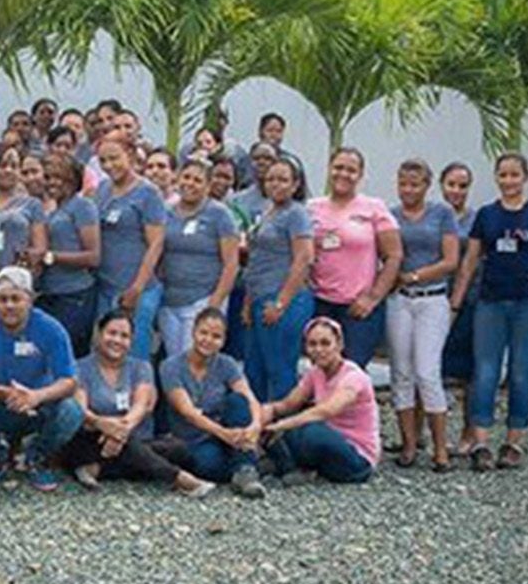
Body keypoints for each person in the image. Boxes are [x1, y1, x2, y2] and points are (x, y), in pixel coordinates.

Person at [455, 152, 528, 471]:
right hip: (490, 304)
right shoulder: (486, 216)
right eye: (503, 175)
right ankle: (482, 442)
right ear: (496, 178)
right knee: (486, 372)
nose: (509, 181)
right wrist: (455, 302)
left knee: (520, 372)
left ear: (525, 177)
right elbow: (469, 263)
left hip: (527, 305)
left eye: (515, 175)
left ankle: (513, 442)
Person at [0, 267, 82, 491]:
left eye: (16, 298)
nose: (9, 305)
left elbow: (69, 380)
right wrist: (3, 392)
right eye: (2, 299)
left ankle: (36, 457)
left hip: (38, 405)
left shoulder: (51, 329)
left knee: (72, 411)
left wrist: (36, 396)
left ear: (30, 299)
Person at [63, 310, 214, 497]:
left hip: (133, 438)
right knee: (131, 449)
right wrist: (103, 424)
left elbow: (141, 406)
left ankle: (98, 469)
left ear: (131, 341)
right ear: (99, 334)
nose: (117, 340)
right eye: (112, 333)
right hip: (93, 439)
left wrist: (119, 432)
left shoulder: (141, 367)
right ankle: (179, 478)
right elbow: (81, 410)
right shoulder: (80, 367)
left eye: (124, 336)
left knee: (178, 449)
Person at [388, 158, 460, 469]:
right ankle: (408, 444)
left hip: (432, 298)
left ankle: (440, 448)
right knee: (401, 373)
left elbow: (451, 260)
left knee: (427, 372)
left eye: (414, 184)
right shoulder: (390, 216)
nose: (408, 190)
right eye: (403, 183)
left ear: (426, 185)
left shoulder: (441, 214)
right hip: (399, 301)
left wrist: (415, 275)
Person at [306, 147, 403, 366]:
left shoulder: (374, 208)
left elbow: (394, 256)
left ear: (360, 175)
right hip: (321, 303)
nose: (343, 174)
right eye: (338, 167)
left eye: (351, 170)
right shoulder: (312, 208)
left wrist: (373, 297)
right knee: (321, 368)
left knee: (352, 370)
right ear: (329, 169)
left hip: (358, 307)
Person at [156, 308, 267, 497]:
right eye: (203, 333)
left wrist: (256, 425)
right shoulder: (171, 366)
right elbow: (187, 412)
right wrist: (224, 434)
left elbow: (249, 397)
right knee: (207, 466)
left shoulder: (227, 363)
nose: (208, 340)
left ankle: (246, 470)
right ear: (194, 332)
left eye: (216, 336)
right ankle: (252, 463)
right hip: (195, 438)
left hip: (228, 433)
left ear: (223, 341)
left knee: (238, 401)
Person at [255, 316, 380, 484]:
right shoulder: (315, 373)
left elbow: (327, 410)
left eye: (325, 343)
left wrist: (283, 425)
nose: (318, 349)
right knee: (280, 427)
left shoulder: (354, 376)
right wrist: (266, 412)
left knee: (309, 431)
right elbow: (288, 404)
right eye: (312, 344)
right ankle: (290, 468)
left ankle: (288, 465)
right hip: (328, 442)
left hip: (357, 457)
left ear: (340, 345)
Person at [240, 156, 315, 402]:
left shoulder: (297, 214)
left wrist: (281, 303)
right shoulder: (266, 212)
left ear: (295, 185)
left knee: (280, 370)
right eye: (271, 179)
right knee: (254, 369)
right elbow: (256, 259)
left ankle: (284, 432)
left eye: (283, 179)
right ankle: (258, 428)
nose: (276, 184)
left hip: (285, 300)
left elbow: (303, 259)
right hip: (259, 298)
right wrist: (249, 302)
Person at [155, 159, 242, 361]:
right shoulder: (166, 212)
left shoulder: (220, 215)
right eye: (186, 177)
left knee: (195, 363)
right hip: (170, 301)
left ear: (208, 185)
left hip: (202, 300)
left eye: (197, 180)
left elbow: (231, 264)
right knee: (173, 363)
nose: (190, 183)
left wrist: (214, 304)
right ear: (177, 178)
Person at [93, 137, 168, 362]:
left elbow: (156, 244)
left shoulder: (148, 193)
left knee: (135, 356)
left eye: (114, 158)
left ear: (131, 155)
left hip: (137, 290)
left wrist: (137, 287)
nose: (108, 166)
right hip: (105, 287)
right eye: (103, 160)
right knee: (104, 355)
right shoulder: (103, 189)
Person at [29, 153, 101, 356]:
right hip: (50, 294)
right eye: (49, 177)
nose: (52, 183)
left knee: (67, 354)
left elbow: (93, 257)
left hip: (74, 295)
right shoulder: (53, 208)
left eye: (59, 178)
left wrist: (49, 257)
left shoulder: (83, 206)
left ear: (72, 180)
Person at [0, 140, 45, 272]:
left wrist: (26, 260)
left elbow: (39, 248)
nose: (8, 170)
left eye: (14, 166)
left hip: (17, 277)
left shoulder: (32, 205)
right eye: (2, 165)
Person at [439, 161, 480, 385]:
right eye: (451, 184)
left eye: (462, 186)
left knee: (467, 367)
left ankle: (470, 420)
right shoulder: (433, 215)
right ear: (441, 185)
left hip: (469, 298)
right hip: (435, 295)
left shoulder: (476, 219)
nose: (456, 190)